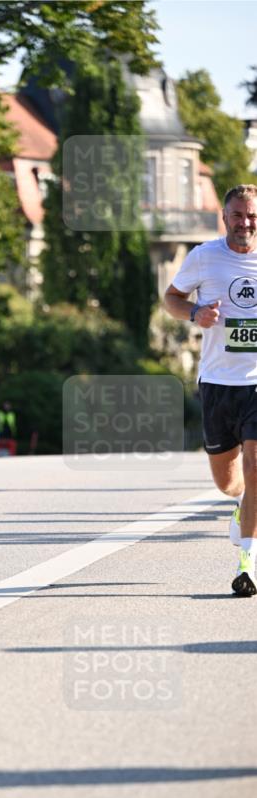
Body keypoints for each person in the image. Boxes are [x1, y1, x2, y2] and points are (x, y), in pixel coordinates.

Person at [164, 183, 257, 597]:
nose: (245, 223)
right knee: (229, 482)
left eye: (252, 215)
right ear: (225, 217)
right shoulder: (204, 257)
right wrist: (196, 312)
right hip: (218, 384)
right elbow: (171, 298)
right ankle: (241, 503)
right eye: (238, 215)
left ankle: (248, 563)